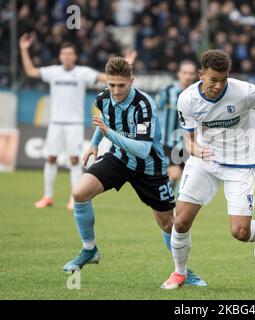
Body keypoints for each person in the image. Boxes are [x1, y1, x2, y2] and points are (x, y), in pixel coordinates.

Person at [161, 49, 255, 289]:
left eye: (223, 79)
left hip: (240, 163)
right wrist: (195, 150)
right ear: (201, 75)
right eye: (213, 80)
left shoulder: (243, 91)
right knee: (181, 222)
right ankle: (180, 272)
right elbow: (189, 140)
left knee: (239, 232)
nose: (218, 86)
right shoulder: (186, 99)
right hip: (205, 160)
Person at [62, 57, 206, 287]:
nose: (116, 91)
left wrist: (108, 134)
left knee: (169, 224)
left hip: (149, 167)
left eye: (121, 85)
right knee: (79, 193)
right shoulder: (103, 98)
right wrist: (94, 143)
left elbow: (142, 149)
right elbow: (104, 121)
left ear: (132, 80)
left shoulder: (144, 104)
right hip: (119, 159)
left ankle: (184, 272)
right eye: (111, 85)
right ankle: (89, 250)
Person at [19, 32, 136, 210]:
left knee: (74, 159)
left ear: (75, 56)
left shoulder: (82, 73)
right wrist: (23, 49)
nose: (66, 57)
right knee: (51, 158)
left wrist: (126, 64)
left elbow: (110, 79)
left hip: (74, 123)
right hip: (55, 123)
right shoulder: (53, 72)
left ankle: (73, 198)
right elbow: (30, 71)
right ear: (60, 56)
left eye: (70, 54)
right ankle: (47, 196)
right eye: (64, 54)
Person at [156, 60, 197, 195]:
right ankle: (165, 204)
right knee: (174, 174)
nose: (188, 76)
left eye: (191, 73)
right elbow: (155, 111)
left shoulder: (197, 95)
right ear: (179, 74)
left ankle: (171, 206)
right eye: (185, 73)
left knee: (188, 180)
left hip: (187, 144)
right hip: (169, 142)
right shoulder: (167, 92)